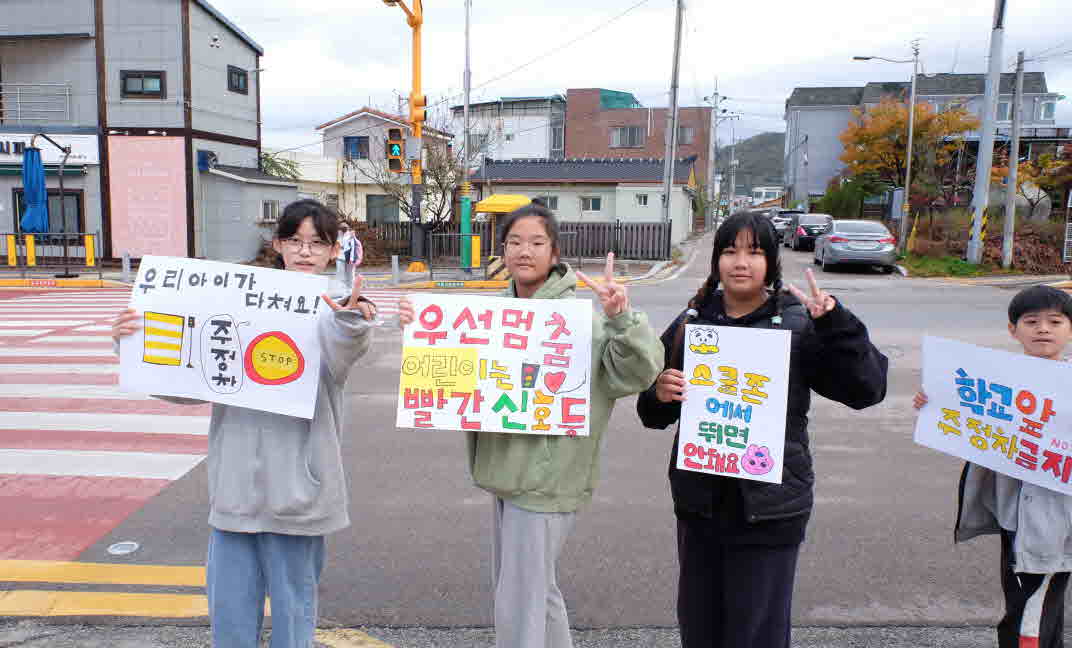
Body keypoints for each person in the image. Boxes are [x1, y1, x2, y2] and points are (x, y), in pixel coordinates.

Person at [112, 199, 377, 648]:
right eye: (295, 240)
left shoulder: (337, 311)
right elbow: (188, 385)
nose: (305, 251)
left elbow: (343, 351)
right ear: (278, 245)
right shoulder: (233, 304)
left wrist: (351, 318)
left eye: (318, 242)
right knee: (230, 618)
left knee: (295, 618)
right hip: (234, 497)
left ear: (335, 251)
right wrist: (131, 345)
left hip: (301, 499)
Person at [398, 204, 663, 648]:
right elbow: (453, 377)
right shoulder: (492, 318)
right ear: (503, 249)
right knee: (538, 594)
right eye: (515, 242)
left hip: (547, 481)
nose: (525, 251)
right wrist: (421, 329)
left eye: (537, 242)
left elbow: (640, 372)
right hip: (507, 475)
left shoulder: (582, 322)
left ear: (555, 252)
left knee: (520, 601)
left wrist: (622, 318)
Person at [636, 210, 888, 648]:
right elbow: (652, 412)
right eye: (730, 251)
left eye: (754, 252)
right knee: (701, 628)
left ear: (771, 261)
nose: (741, 262)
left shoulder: (799, 323)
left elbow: (866, 389)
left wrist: (836, 324)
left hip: (771, 510)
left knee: (757, 633)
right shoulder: (694, 321)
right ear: (716, 260)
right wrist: (659, 392)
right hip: (701, 507)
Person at [915, 285, 1072, 648]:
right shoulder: (995, 381)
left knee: (1031, 614)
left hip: (1055, 517)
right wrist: (934, 401)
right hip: (1013, 516)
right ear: (1013, 330)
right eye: (1031, 321)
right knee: (1029, 603)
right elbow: (960, 417)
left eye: (1055, 321)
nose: (1043, 329)